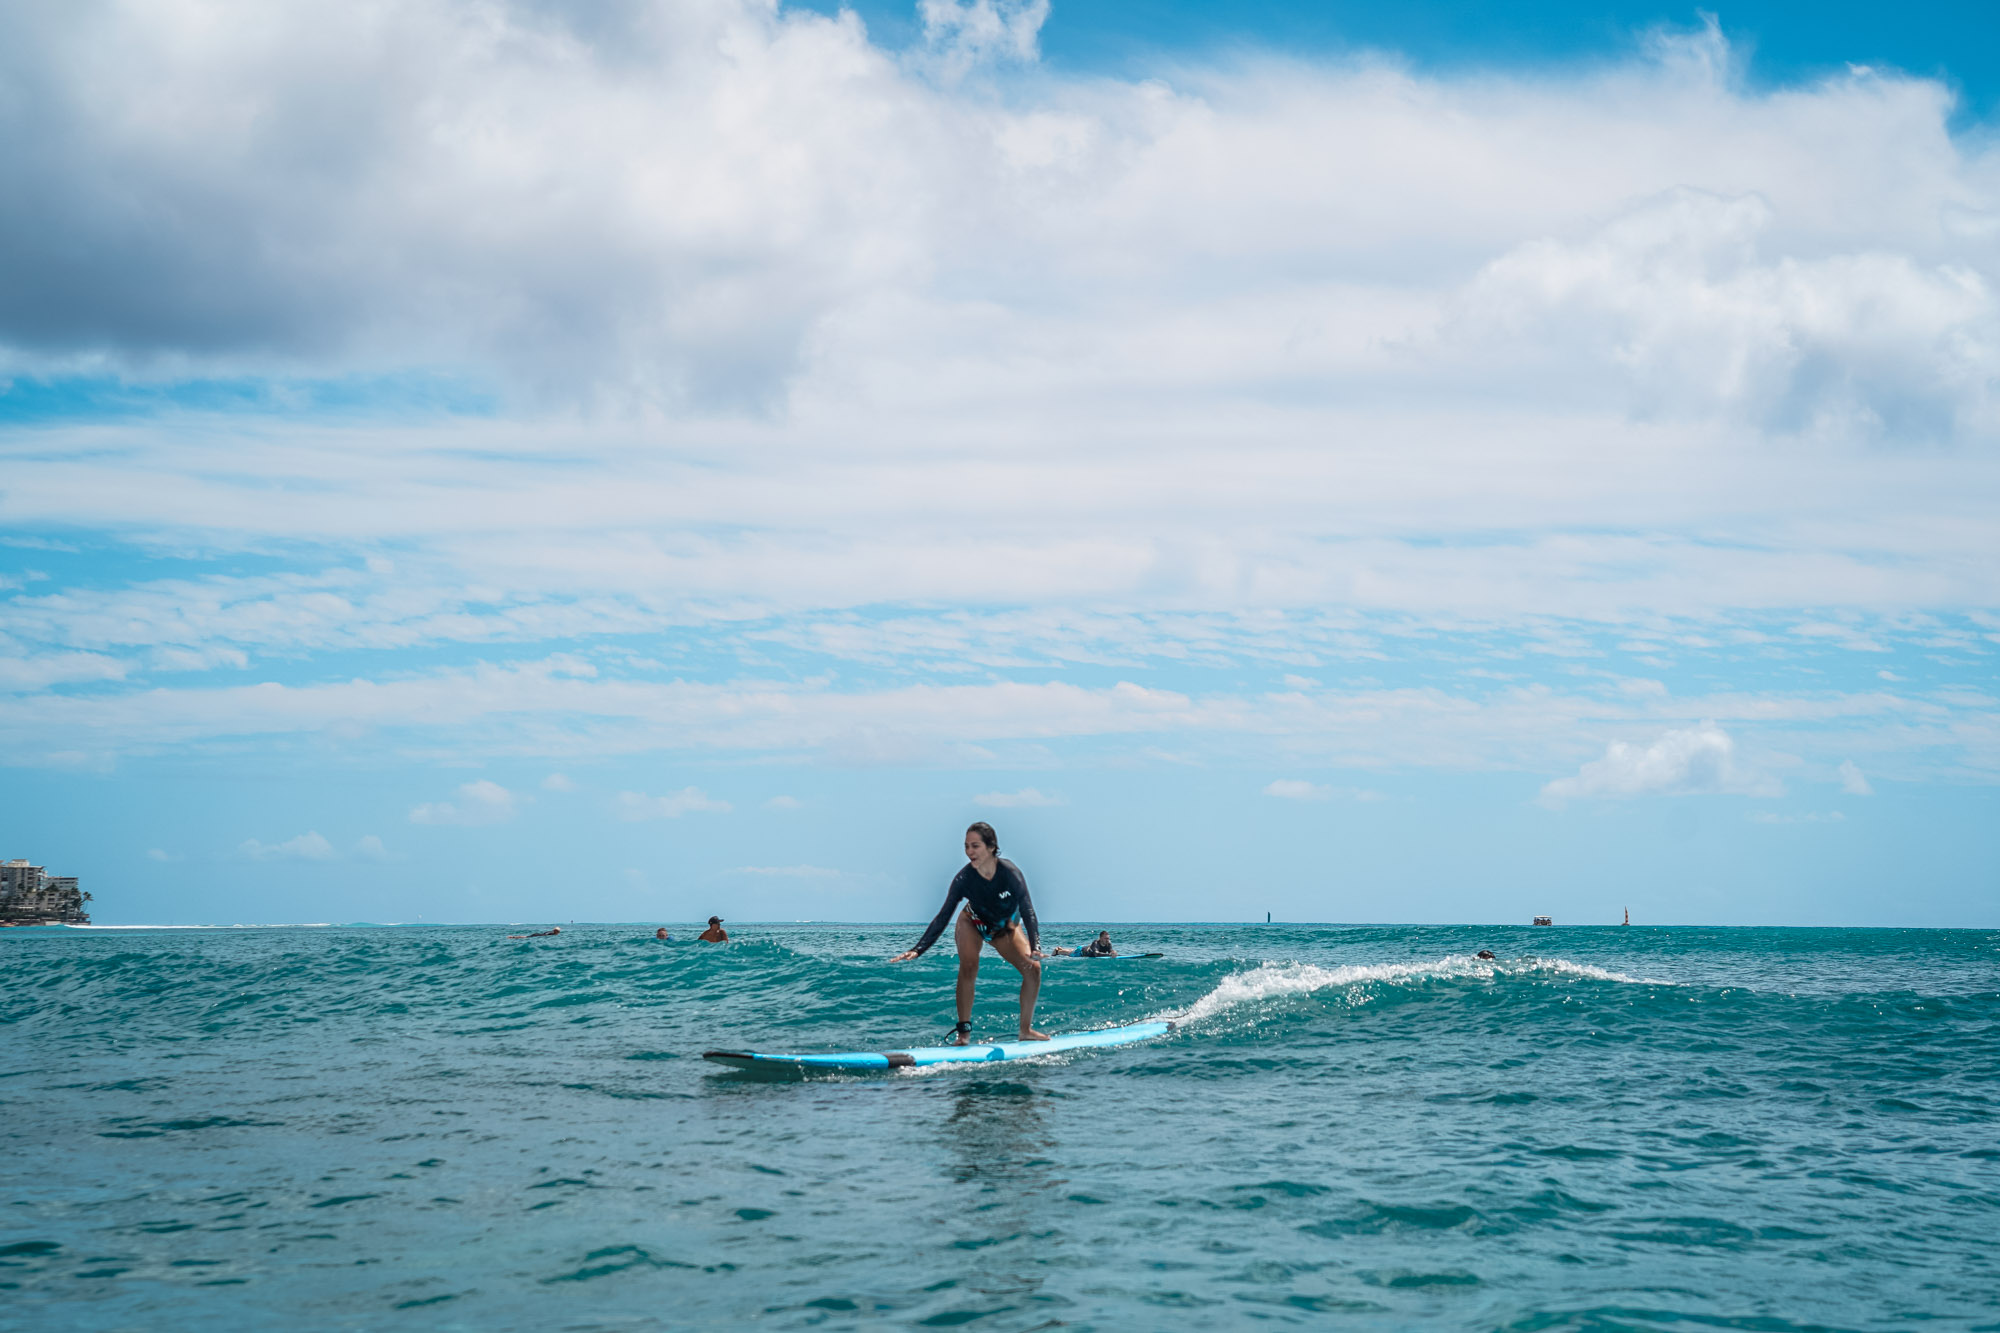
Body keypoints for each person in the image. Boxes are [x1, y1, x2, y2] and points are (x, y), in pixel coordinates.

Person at [891, 822, 1046, 1045]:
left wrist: (1035, 946)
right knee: (969, 965)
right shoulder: (964, 879)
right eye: (966, 846)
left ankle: (1025, 1030)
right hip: (972, 922)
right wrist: (918, 949)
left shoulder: (1010, 873)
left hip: (1005, 929)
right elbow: (943, 915)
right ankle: (963, 1034)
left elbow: (1028, 909)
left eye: (975, 846)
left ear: (991, 847)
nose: (969, 852)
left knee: (1033, 970)